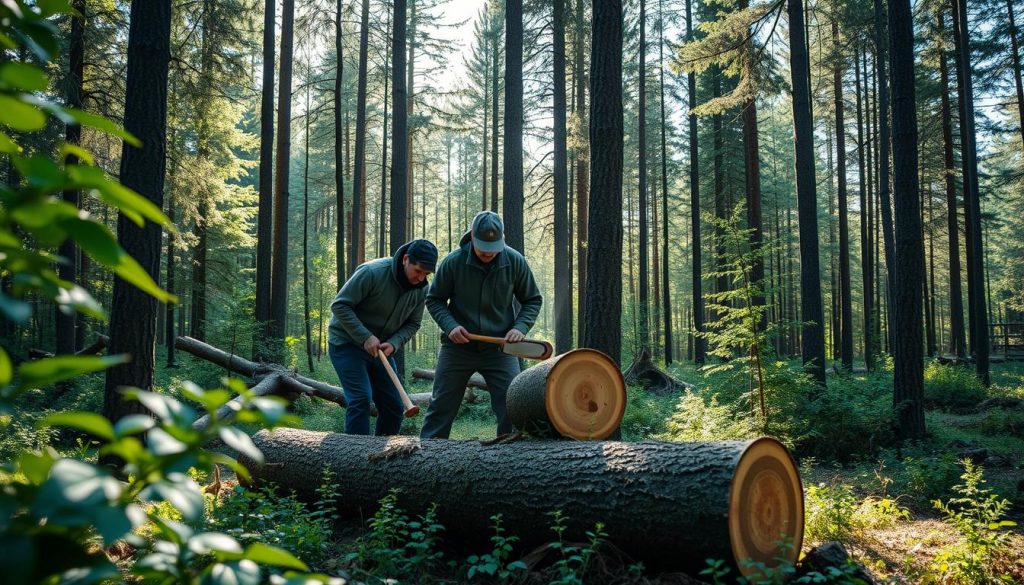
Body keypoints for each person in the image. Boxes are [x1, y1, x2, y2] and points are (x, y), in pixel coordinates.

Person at [420, 211, 542, 439]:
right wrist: (450, 326)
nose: (488, 252)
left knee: (512, 406)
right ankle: (429, 461)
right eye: (483, 246)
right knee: (441, 407)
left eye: (493, 246)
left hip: (501, 349)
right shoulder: (453, 262)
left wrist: (520, 328)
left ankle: (508, 461)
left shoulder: (515, 261)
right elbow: (434, 299)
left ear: (502, 240)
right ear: (472, 238)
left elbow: (532, 300)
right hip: (457, 348)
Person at [328, 239, 437, 435]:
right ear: (406, 259)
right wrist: (365, 337)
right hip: (347, 344)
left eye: (426, 274)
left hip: (381, 352)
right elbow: (340, 306)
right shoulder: (372, 272)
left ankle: (383, 459)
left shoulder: (421, 289)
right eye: (418, 271)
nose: (421, 278)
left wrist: (394, 343)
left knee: (394, 406)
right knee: (361, 399)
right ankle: (355, 458)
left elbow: (413, 323)